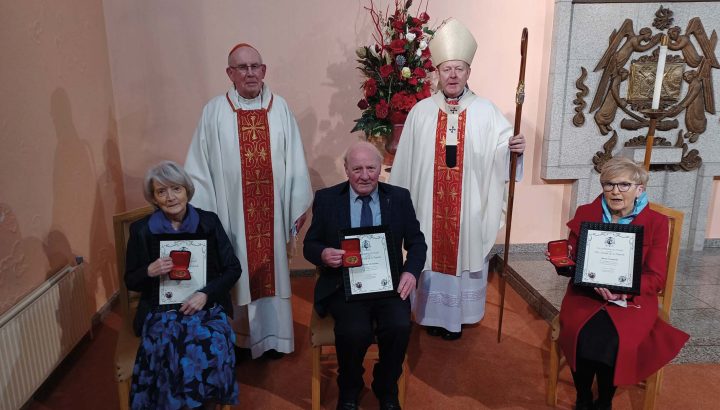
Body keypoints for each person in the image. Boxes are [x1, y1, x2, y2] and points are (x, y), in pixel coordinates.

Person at [389, 19, 526, 340]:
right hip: (427, 208)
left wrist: (513, 149)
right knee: (427, 249)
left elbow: (502, 152)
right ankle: (428, 313)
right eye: (447, 68)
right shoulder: (420, 112)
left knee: (463, 249)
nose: (453, 75)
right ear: (437, 72)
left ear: (468, 73)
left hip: (467, 210)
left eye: (459, 69)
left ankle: (460, 315)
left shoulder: (486, 111)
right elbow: (405, 164)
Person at [185, 43, 313, 359]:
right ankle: (242, 340)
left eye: (256, 66)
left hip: (272, 216)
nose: (250, 73)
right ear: (230, 73)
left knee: (273, 272)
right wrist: (207, 218)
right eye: (242, 67)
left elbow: (296, 159)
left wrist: (297, 203)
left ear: (264, 70)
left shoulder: (280, 108)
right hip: (232, 219)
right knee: (236, 270)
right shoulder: (213, 111)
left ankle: (274, 338)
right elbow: (198, 169)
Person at [549, 157, 689, 410]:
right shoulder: (586, 213)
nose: (615, 191)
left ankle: (603, 401)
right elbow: (575, 261)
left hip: (630, 300)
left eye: (624, 185)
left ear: (640, 189)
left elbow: (657, 278)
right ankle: (583, 398)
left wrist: (623, 293)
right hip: (586, 294)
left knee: (613, 340)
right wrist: (563, 262)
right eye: (608, 184)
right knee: (579, 333)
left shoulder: (656, 223)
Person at [304, 142, 427, 410]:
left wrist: (411, 271)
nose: (364, 175)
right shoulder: (326, 199)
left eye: (371, 168)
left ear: (380, 168)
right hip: (343, 283)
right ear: (346, 169)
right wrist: (323, 254)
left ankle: (386, 385)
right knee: (353, 330)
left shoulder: (399, 197)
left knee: (398, 326)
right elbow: (310, 245)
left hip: (388, 284)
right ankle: (349, 387)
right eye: (357, 168)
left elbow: (417, 242)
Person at [125, 161, 241, 409]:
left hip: (204, 306)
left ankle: (204, 403)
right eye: (161, 191)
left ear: (187, 190)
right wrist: (148, 271)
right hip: (160, 309)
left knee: (210, 340)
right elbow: (130, 280)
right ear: (154, 198)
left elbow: (233, 269)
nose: (170, 197)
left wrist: (205, 295)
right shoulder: (141, 230)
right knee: (170, 344)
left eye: (176, 189)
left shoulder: (208, 222)